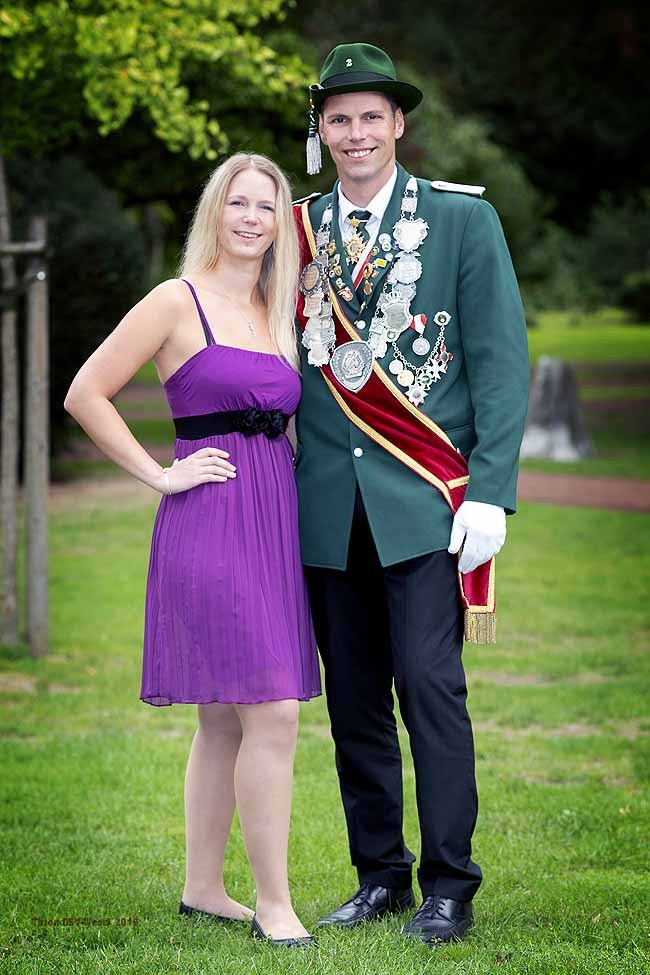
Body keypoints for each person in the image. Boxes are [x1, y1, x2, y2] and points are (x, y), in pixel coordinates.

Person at [292, 43, 530, 944]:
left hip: (427, 505)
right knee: (354, 702)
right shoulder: (298, 229)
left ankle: (449, 886)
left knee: (430, 690)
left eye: (371, 116)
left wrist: (491, 492)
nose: (356, 133)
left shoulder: (464, 221)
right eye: (339, 118)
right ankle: (381, 876)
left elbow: (500, 364)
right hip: (326, 507)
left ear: (398, 123)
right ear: (321, 130)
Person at [64, 153, 321, 948]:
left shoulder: (280, 308)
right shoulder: (175, 300)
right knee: (273, 708)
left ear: (280, 224)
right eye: (238, 203)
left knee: (223, 718)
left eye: (266, 207)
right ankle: (275, 903)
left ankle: (203, 888)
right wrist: (159, 474)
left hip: (274, 521)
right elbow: (85, 392)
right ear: (215, 211)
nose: (251, 218)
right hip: (208, 518)